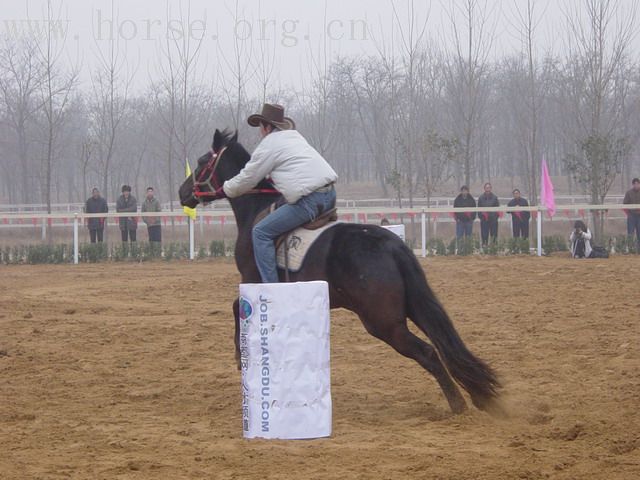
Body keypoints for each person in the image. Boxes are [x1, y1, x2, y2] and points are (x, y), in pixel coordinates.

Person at [221, 103, 338, 283]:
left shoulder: (269, 144)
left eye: (260, 126)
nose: (260, 131)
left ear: (267, 127)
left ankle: (272, 289)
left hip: (309, 201)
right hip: (329, 195)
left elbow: (248, 178)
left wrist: (226, 188)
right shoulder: (294, 137)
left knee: (260, 232)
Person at [477, 182, 500, 247]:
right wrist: (481, 217)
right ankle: (485, 247)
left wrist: (495, 217)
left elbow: (497, 209)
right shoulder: (481, 198)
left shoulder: (495, 198)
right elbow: (479, 208)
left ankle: (494, 248)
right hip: (484, 220)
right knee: (484, 234)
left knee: (494, 234)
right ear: (484, 188)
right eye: (486, 187)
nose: (488, 189)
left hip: (493, 220)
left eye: (489, 187)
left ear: (491, 188)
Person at [623, 177, 640, 253]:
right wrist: (628, 214)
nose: (636, 185)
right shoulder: (628, 193)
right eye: (635, 184)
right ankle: (631, 250)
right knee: (630, 233)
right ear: (633, 185)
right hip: (631, 216)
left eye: (638, 184)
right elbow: (624, 204)